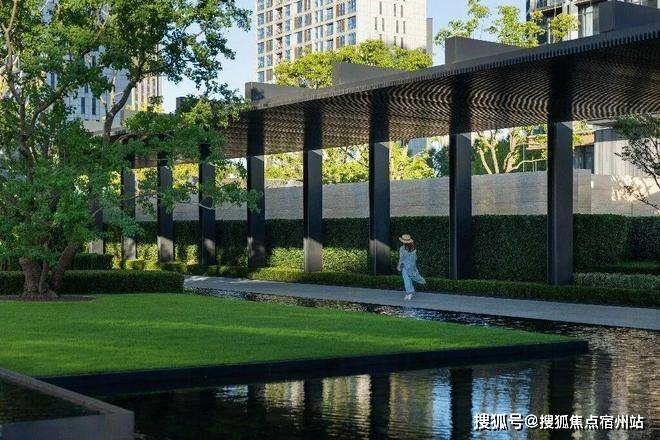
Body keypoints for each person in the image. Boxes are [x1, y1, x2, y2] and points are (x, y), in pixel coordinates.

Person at [397, 234, 426, 300]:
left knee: (406, 279)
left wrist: (399, 266)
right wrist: (414, 267)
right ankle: (411, 291)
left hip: (405, 266)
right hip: (412, 266)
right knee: (410, 277)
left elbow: (401, 258)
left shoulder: (402, 248)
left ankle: (409, 293)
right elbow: (415, 258)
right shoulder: (413, 248)